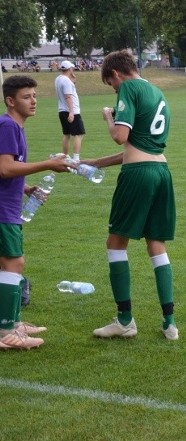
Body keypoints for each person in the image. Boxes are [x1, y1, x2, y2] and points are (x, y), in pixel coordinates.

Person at [82, 50, 179, 341]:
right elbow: (142, 147)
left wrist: (109, 118)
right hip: (161, 172)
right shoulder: (156, 91)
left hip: (138, 176)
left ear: (115, 75)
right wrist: (97, 162)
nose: (115, 91)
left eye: (111, 86)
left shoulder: (128, 87)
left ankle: (125, 319)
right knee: (156, 245)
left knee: (115, 243)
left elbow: (121, 137)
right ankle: (169, 322)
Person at [0, 76, 70, 349]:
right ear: (10, 101)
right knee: (14, 263)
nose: (33, 101)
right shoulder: (7, 125)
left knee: (8, 264)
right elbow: (4, 168)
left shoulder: (14, 127)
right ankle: (6, 333)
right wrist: (47, 164)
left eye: (34, 95)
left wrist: (27, 189)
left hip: (8, 205)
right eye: (26, 96)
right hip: (3, 210)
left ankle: (12, 321)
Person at [55, 60, 85, 161]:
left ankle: (65, 155)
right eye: (72, 68)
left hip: (61, 110)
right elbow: (68, 96)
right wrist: (72, 112)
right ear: (69, 69)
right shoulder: (66, 81)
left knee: (66, 134)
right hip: (71, 111)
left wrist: (73, 81)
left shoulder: (58, 79)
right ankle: (76, 158)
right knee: (78, 134)